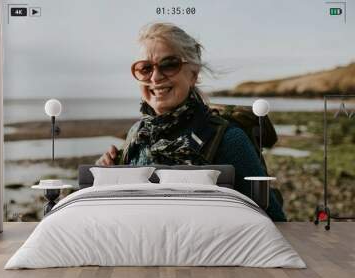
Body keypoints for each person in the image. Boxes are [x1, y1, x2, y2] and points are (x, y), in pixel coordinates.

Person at [96, 22, 286, 221]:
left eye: (169, 64)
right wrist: (108, 175)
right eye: (145, 68)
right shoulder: (137, 134)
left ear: (193, 74)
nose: (156, 77)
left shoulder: (228, 140)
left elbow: (275, 220)